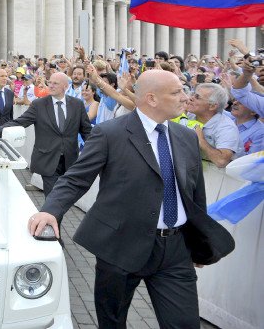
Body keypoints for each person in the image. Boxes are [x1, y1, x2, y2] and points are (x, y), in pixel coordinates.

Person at [28, 70, 234, 329]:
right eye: (176, 92)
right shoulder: (109, 133)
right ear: (152, 98)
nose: (185, 97)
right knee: (112, 322)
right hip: (120, 247)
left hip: (175, 252)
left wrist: (198, 241)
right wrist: (50, 211)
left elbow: (194, 194)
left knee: (184, 324)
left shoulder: (187, 137)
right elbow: (75, 179)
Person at [0, 72, 92, 198]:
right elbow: (20, 121)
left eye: (55, 83)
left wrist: (95, 151)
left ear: (65, 87)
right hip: (48, 160)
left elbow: (86, 131)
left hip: (70, 160)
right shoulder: (39, 105)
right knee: (52, 197)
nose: (51, 85)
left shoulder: (77, 104)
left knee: (64, 197)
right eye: (50, 82)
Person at [187, 83, 239, 168]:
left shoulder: (226, 128)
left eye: (197, 97)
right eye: (193, 95)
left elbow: (221, 161)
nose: (191, 98)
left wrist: (201, 141)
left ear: (212, 106)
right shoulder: (189, 115)